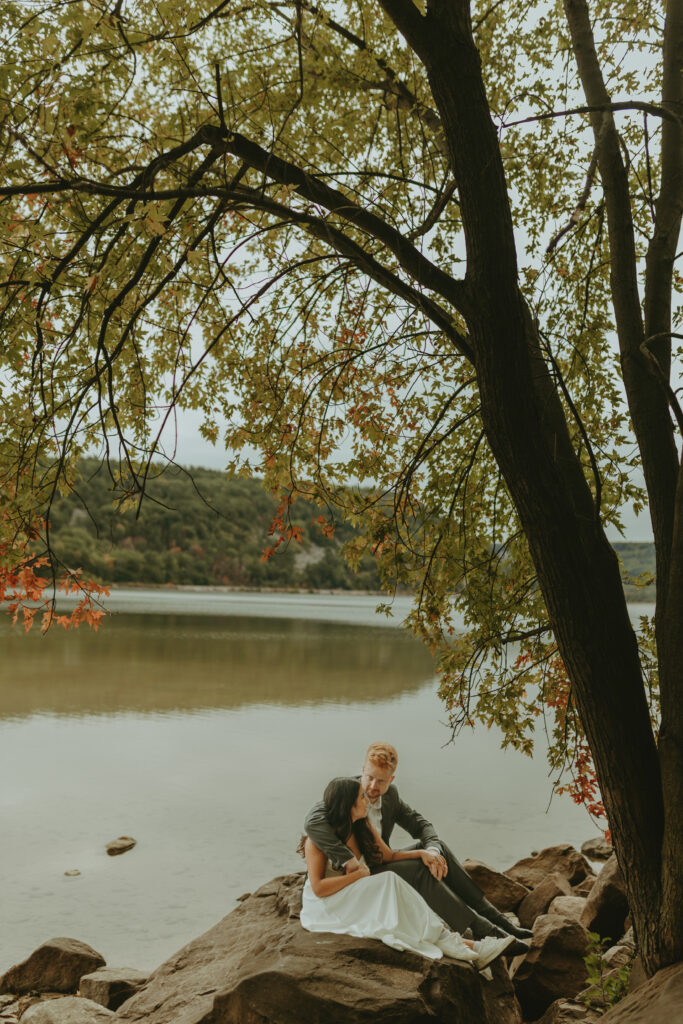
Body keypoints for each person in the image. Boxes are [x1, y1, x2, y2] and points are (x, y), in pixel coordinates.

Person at [304, 742, 531, 955]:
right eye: (369, 777)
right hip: (365, 875)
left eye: (381, 781)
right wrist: (347, 859)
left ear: (391, 779)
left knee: (436, 849)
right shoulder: (345, 794)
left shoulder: (391, 797)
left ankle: (495, 919)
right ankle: (477, 925)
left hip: (379, 857)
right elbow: (312, 823)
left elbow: (420, 826)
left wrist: (429, 852)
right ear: (362, 770)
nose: (372, 787)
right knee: (417, 869)